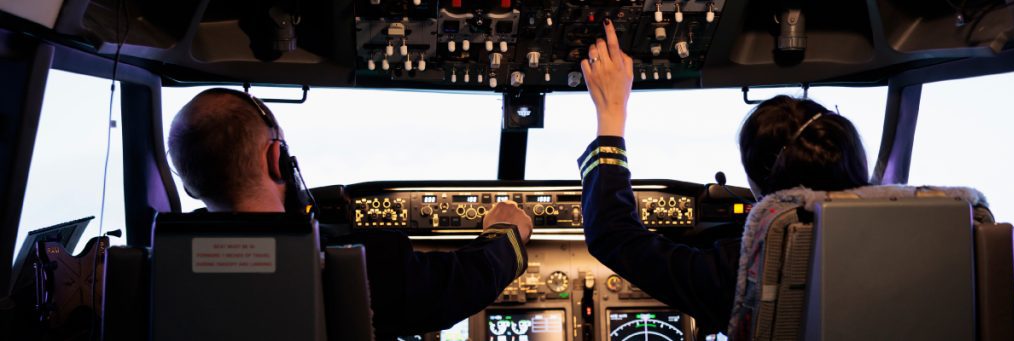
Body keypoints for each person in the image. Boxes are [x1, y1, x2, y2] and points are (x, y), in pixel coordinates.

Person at [576, 20, 870, 335]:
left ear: (761, 186)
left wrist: (612, 112)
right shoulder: (898, 242)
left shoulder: (750, 267)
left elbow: (613, 234)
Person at [166, 88, 534, 337]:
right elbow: (453, 286)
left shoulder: (162, 272)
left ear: (190, 186)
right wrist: (505, 235)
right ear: (276, 158)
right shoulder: (348, 262)